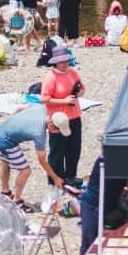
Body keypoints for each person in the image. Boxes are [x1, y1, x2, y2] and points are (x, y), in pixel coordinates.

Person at [0, 105, 68, 213]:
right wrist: (56, 178)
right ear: (51, 125)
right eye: (59, 131)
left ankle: (5, 192)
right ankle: (17, 200)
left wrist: (12, 122)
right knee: (25, 171)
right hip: (6, 141)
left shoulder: (42, 108)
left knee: (5, 162)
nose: (60, 134)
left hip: (2, 129)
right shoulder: (39, 133)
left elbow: (20, 108)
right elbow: (42, 160)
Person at [41, 45, 85, 183]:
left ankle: (71, 176)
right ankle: (56, 179)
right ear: (55, 62)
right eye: (61, 62)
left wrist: (78, 93)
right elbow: (45, 99)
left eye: (66, 61)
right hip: (57, 118)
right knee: (57, 151)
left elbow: (82, 89)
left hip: (74, 115)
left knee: (74, 148)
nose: (65, 64)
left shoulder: (73, 72)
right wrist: (64, 101)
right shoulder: (50, 77)